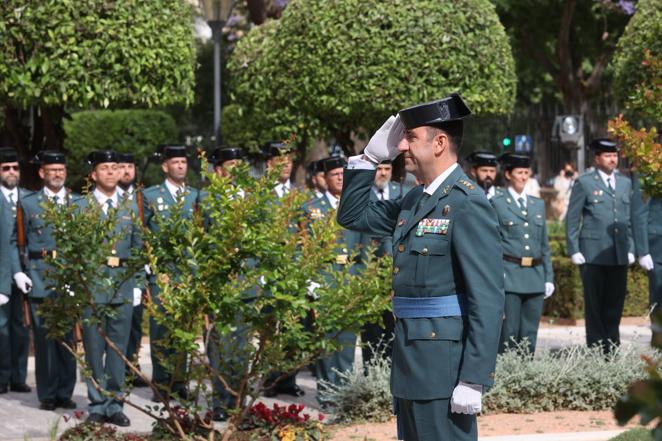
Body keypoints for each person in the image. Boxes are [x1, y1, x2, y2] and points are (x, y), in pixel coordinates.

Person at [337, 93, 504, 441]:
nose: (401, 146)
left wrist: (473, 377)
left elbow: (486, 299)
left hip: (445, 368)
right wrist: (368, 159)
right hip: (411, 359)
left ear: (440, 142)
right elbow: (353, 216)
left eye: (411, 137)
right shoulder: (416, 198)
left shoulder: (467, 203)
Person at [77, 150, 143, 426]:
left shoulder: (130, 205)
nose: (111, 173)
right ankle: (97, 403)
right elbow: (74, 250)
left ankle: (115, 403)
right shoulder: (80, 206)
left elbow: (139, 248)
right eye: (105, 168)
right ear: (93, 175)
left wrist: (138, 283)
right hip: (92, 286)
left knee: (118, 350)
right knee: (93, 348)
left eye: (115, 168)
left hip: (122, 287)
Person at [12, 151, 77, 410]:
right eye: (52, 170)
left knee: (68, 338)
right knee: (44, 338)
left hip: (70, 278)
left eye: (61, 170)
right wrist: (18, 271)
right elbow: (16, 242)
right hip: (39, 276)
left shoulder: (78, 202)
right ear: (42, 173)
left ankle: (65, 391)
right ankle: (47, 394)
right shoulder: (28, 203)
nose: (57, 174)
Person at [142, 144, 201, 400]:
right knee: (161, 329)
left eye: (183, 162)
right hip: (163, 273)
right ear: (165, 167)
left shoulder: (195, 196)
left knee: (184, 329)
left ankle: (180, 382)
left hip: (186, 272)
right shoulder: (150, 196)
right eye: (175, 162)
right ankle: (162, 383)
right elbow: (141, 231)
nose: (180, 166)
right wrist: (148, 264)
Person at [566, 138, 634, 354]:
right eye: (607, 155)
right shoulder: (585, 182)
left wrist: (631, 248)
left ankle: (611, 349)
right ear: (597, 158)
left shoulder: (625, 182)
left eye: (614, 155)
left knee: (615, 306)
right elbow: (572, 218)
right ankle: (596, 352)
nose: (612, 159)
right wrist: (574, 248)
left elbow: (628, 219)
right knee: (595, 308)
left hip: (618, 254)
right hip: (593, 255)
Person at [304, 156, 363, 405]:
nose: (340, 177)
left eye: (343, 174)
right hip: (325, 278)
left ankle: (345, 394)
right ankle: (328, 394)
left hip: (350, 277)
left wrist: (362, 279)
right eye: (335, 174)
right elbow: (303, 245)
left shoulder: (356, 205)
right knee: (327, 341)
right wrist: (310, 279)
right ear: (325, 178)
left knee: (347, 342)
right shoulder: (311, 207)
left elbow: (365, 245)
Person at [491, 153, 554, 354]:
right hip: (509, 275)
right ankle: (508, 376)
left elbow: (544, 244)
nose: (524, 177)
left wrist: (549, 277)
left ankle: (525, 377)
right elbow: (493, 244)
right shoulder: (498, 203)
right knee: (509, 332)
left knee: (529, 334)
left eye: (527, 172)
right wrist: (496, 273)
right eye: (520, 172)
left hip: (534, 277)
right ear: (508, 174)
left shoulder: (537, 204)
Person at [262, 141, 305, 398]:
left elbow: (304, 232)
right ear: (269, 164)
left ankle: (288, 379)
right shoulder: (259, 194)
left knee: (291, 325)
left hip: (293, 268)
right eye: (281, 161)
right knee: (269, 327)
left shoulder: (298, 194)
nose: (286, 166)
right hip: (268, 269)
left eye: (289, 162)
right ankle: (269, 379)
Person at [360, 159, 402, 366]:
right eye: (379, 169)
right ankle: (371, 372)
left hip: (396, 271)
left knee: (392, 328)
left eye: (387, 169)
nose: (383, 173)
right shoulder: (363, 194)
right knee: (372, 329)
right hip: (370, 271)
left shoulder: (401, 193)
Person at [115, 152, 148, 389]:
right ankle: (115, 369)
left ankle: (130, 367)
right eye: (122, 166)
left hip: (138, 268)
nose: (126, 171)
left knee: (135, 323)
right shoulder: (107, 197)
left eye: (130, 166)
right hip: (113, 269)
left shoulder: (142, 198)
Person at [0, 147, 31, 394]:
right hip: (0, 274)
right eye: (5, 168)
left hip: (25, 273)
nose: (11, 172)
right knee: (1, 328)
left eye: (15, 168)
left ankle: (19, 377)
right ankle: (2, 376)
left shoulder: (29, 198)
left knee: (21, 327)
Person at [631, 173, 661, 335]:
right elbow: (639, 212)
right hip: (658, 248)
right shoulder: (649, 172)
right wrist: (643, 250)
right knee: (659, 302)